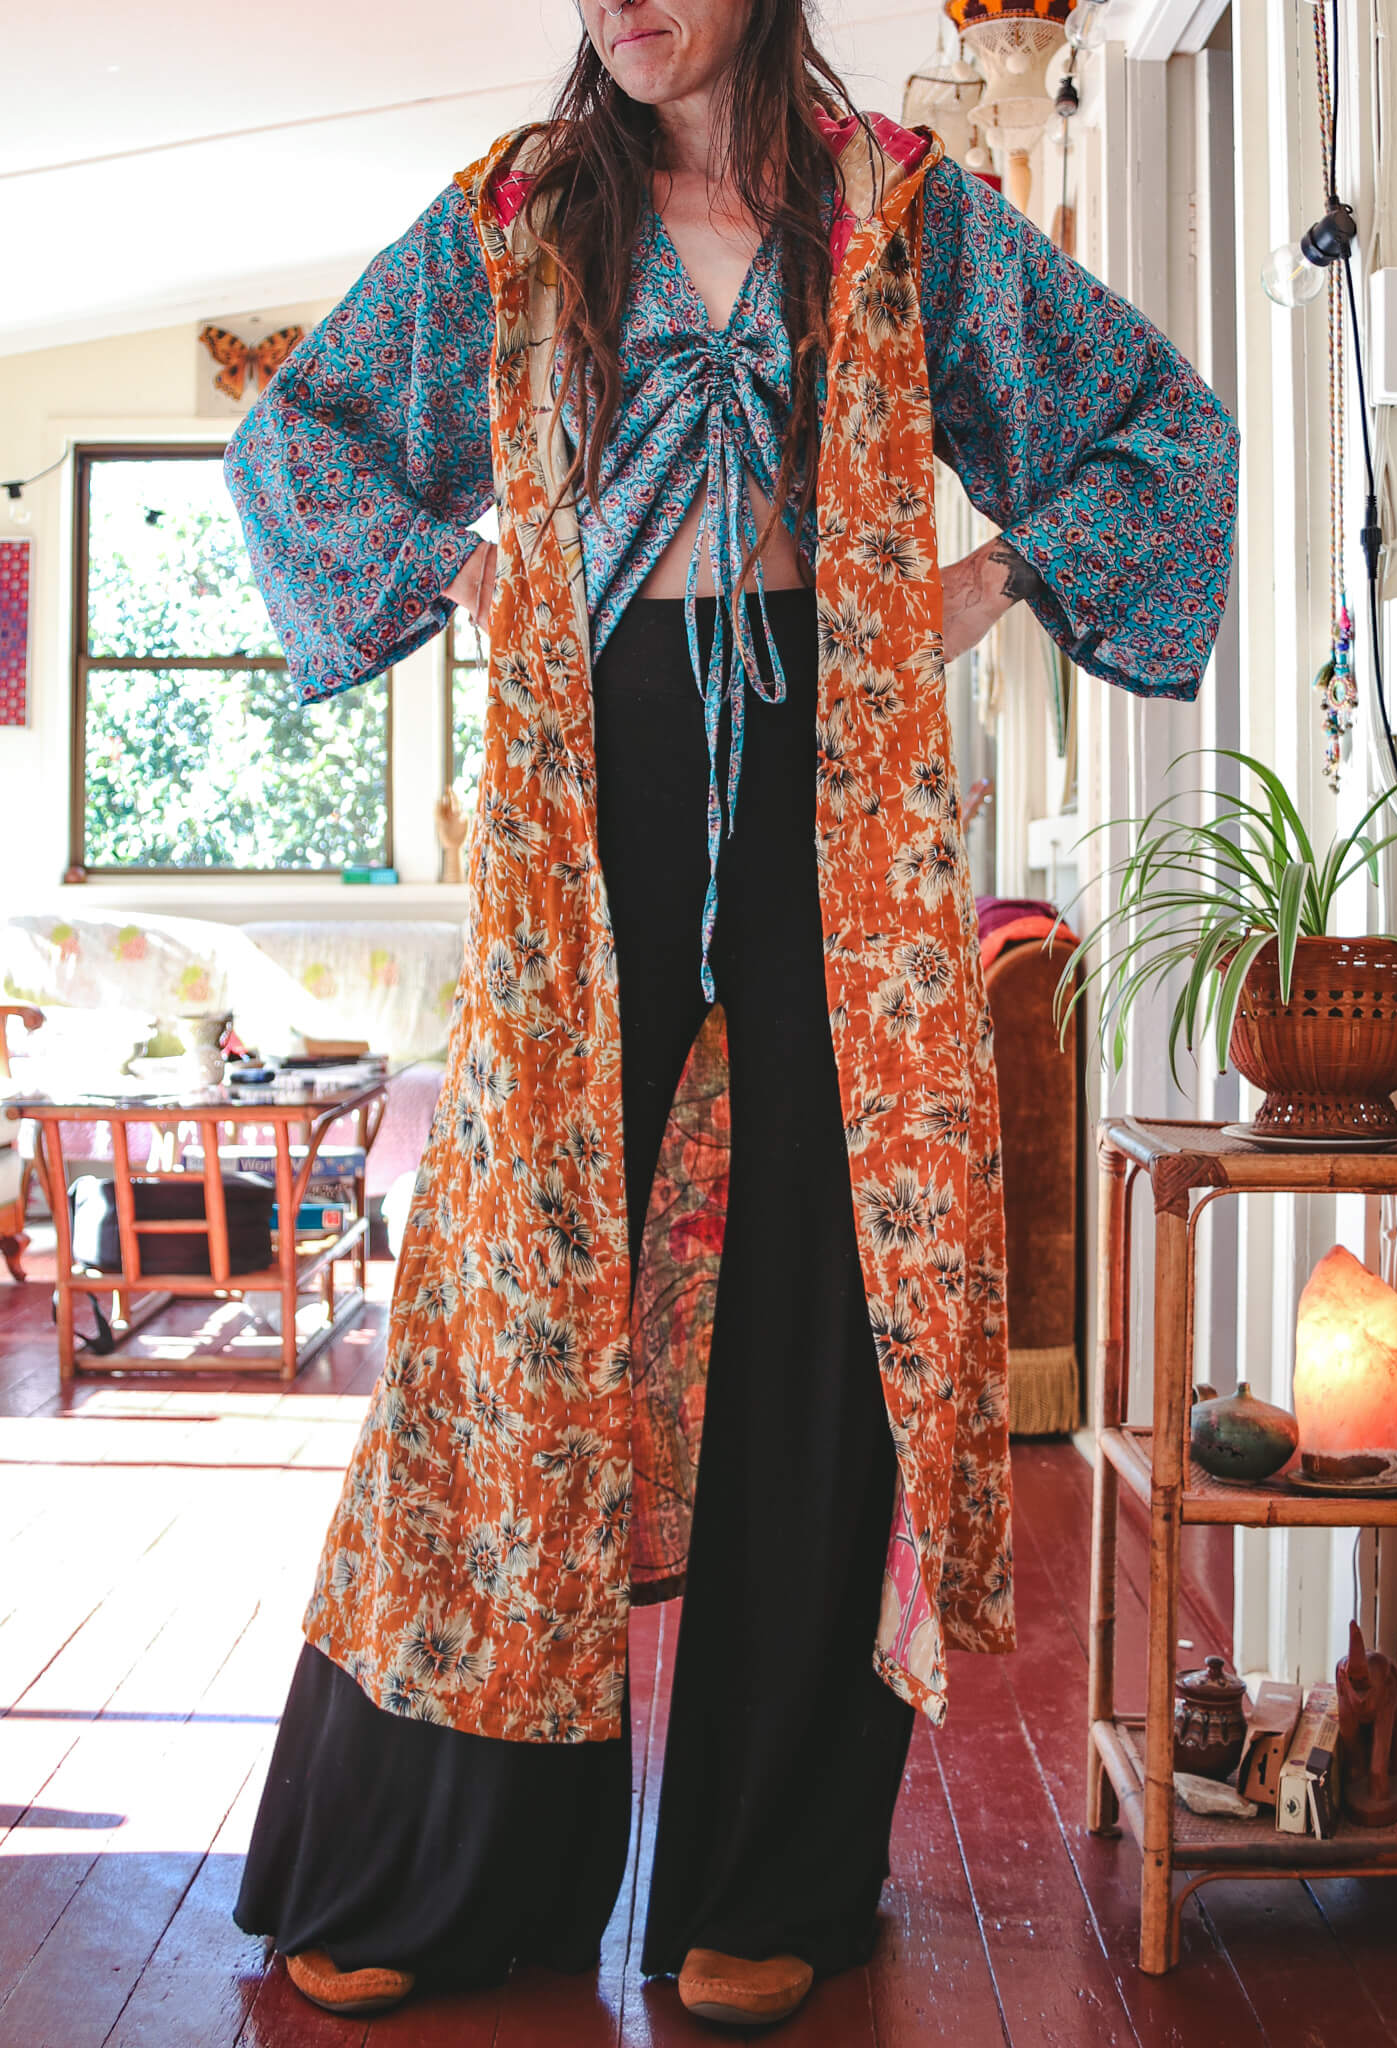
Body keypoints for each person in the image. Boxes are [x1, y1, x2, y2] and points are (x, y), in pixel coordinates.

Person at [225, 0, 1237, 2027]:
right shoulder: (516, 221)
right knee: (515, 1304)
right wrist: (474, 577)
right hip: (585, 772)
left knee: (822, 1289)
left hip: (828, 775)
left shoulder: (899, 218)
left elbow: (1157, 427)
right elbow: (302, 443)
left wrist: (976, 587)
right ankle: (449, 1868)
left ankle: (770, 1872)